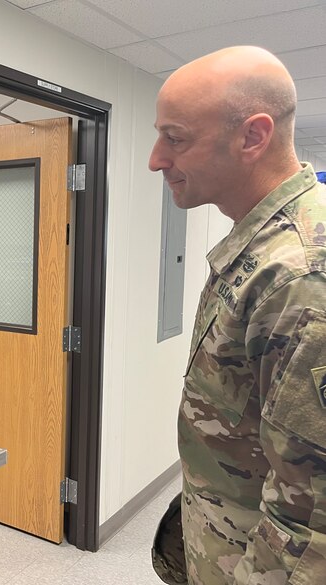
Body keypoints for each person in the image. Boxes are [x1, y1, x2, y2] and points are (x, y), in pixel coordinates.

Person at [148, 47, 326, 584]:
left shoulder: (299, 277)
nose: (156, 158)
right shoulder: (260, 246)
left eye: (175, 138)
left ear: (252, 136)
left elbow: (310, 521)